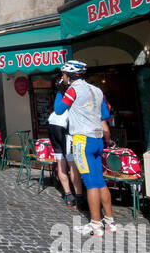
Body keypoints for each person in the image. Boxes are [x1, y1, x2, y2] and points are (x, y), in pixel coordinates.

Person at [55, 60, 115, 238]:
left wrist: (60, 91)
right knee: (100, 181)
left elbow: (59, 109)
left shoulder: (72, 90)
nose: (63, 78)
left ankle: (95, 224)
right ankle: (110, 222)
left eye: (64, 75)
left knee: (90, 183)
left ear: (69, 76)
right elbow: (105, 114)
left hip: (82, 139)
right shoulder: (97, 90)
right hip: (97, 138)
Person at [47, 75, 81, 209]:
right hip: (64, 128)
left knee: (61, 162)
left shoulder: (60, 93)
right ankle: (78, 196)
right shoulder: (74, 92)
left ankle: (68, 195)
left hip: (52, 124)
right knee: (72, 164)